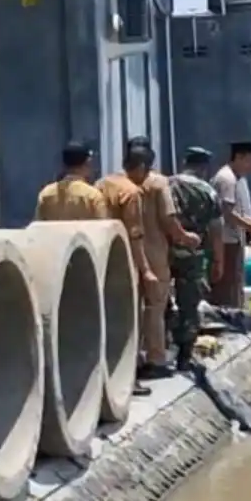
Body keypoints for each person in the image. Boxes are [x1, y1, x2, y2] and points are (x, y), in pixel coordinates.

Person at [125, 137, 201, 377]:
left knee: (131, 307)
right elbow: (169, 220)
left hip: (125, 252)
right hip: (154, 252)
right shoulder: (158, 184)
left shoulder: (116, 183)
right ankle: (156, 358)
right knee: (155, 307)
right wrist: (186, 237)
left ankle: (132, 358)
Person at [98, 148, 162, 394]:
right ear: (142, 168)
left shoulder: (102, 184)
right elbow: (135, 236)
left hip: (101, 261)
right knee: (129, 323)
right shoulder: (132, 192)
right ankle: (129, 379)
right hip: (123, 264)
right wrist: (146, 270)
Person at [170, 147, 223, 369]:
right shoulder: (207, 191)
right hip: (192, 254)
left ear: (184, 162)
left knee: (160, 300)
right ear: (204, 167)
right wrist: (218, 260)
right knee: (189, 304)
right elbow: (216, 229)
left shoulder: (166, 184)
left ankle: (163, 346)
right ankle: (184, 356)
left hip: (163, 251)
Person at [210, 142, 251, 307]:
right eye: (249, 162)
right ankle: (229, 318)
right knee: (229, 283)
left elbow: (238, 212)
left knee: (236, 281)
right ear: (238, 157)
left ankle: (235, 314)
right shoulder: (226, 179)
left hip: (234, 238)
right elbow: (227, 213)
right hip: (226, 240)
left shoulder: (235, 178)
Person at [34, 141, 110, 221]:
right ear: (87, 163)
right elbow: (103, 228)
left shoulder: (46, 194)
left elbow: (38, 226)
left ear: (63, 164)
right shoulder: (93, 196)